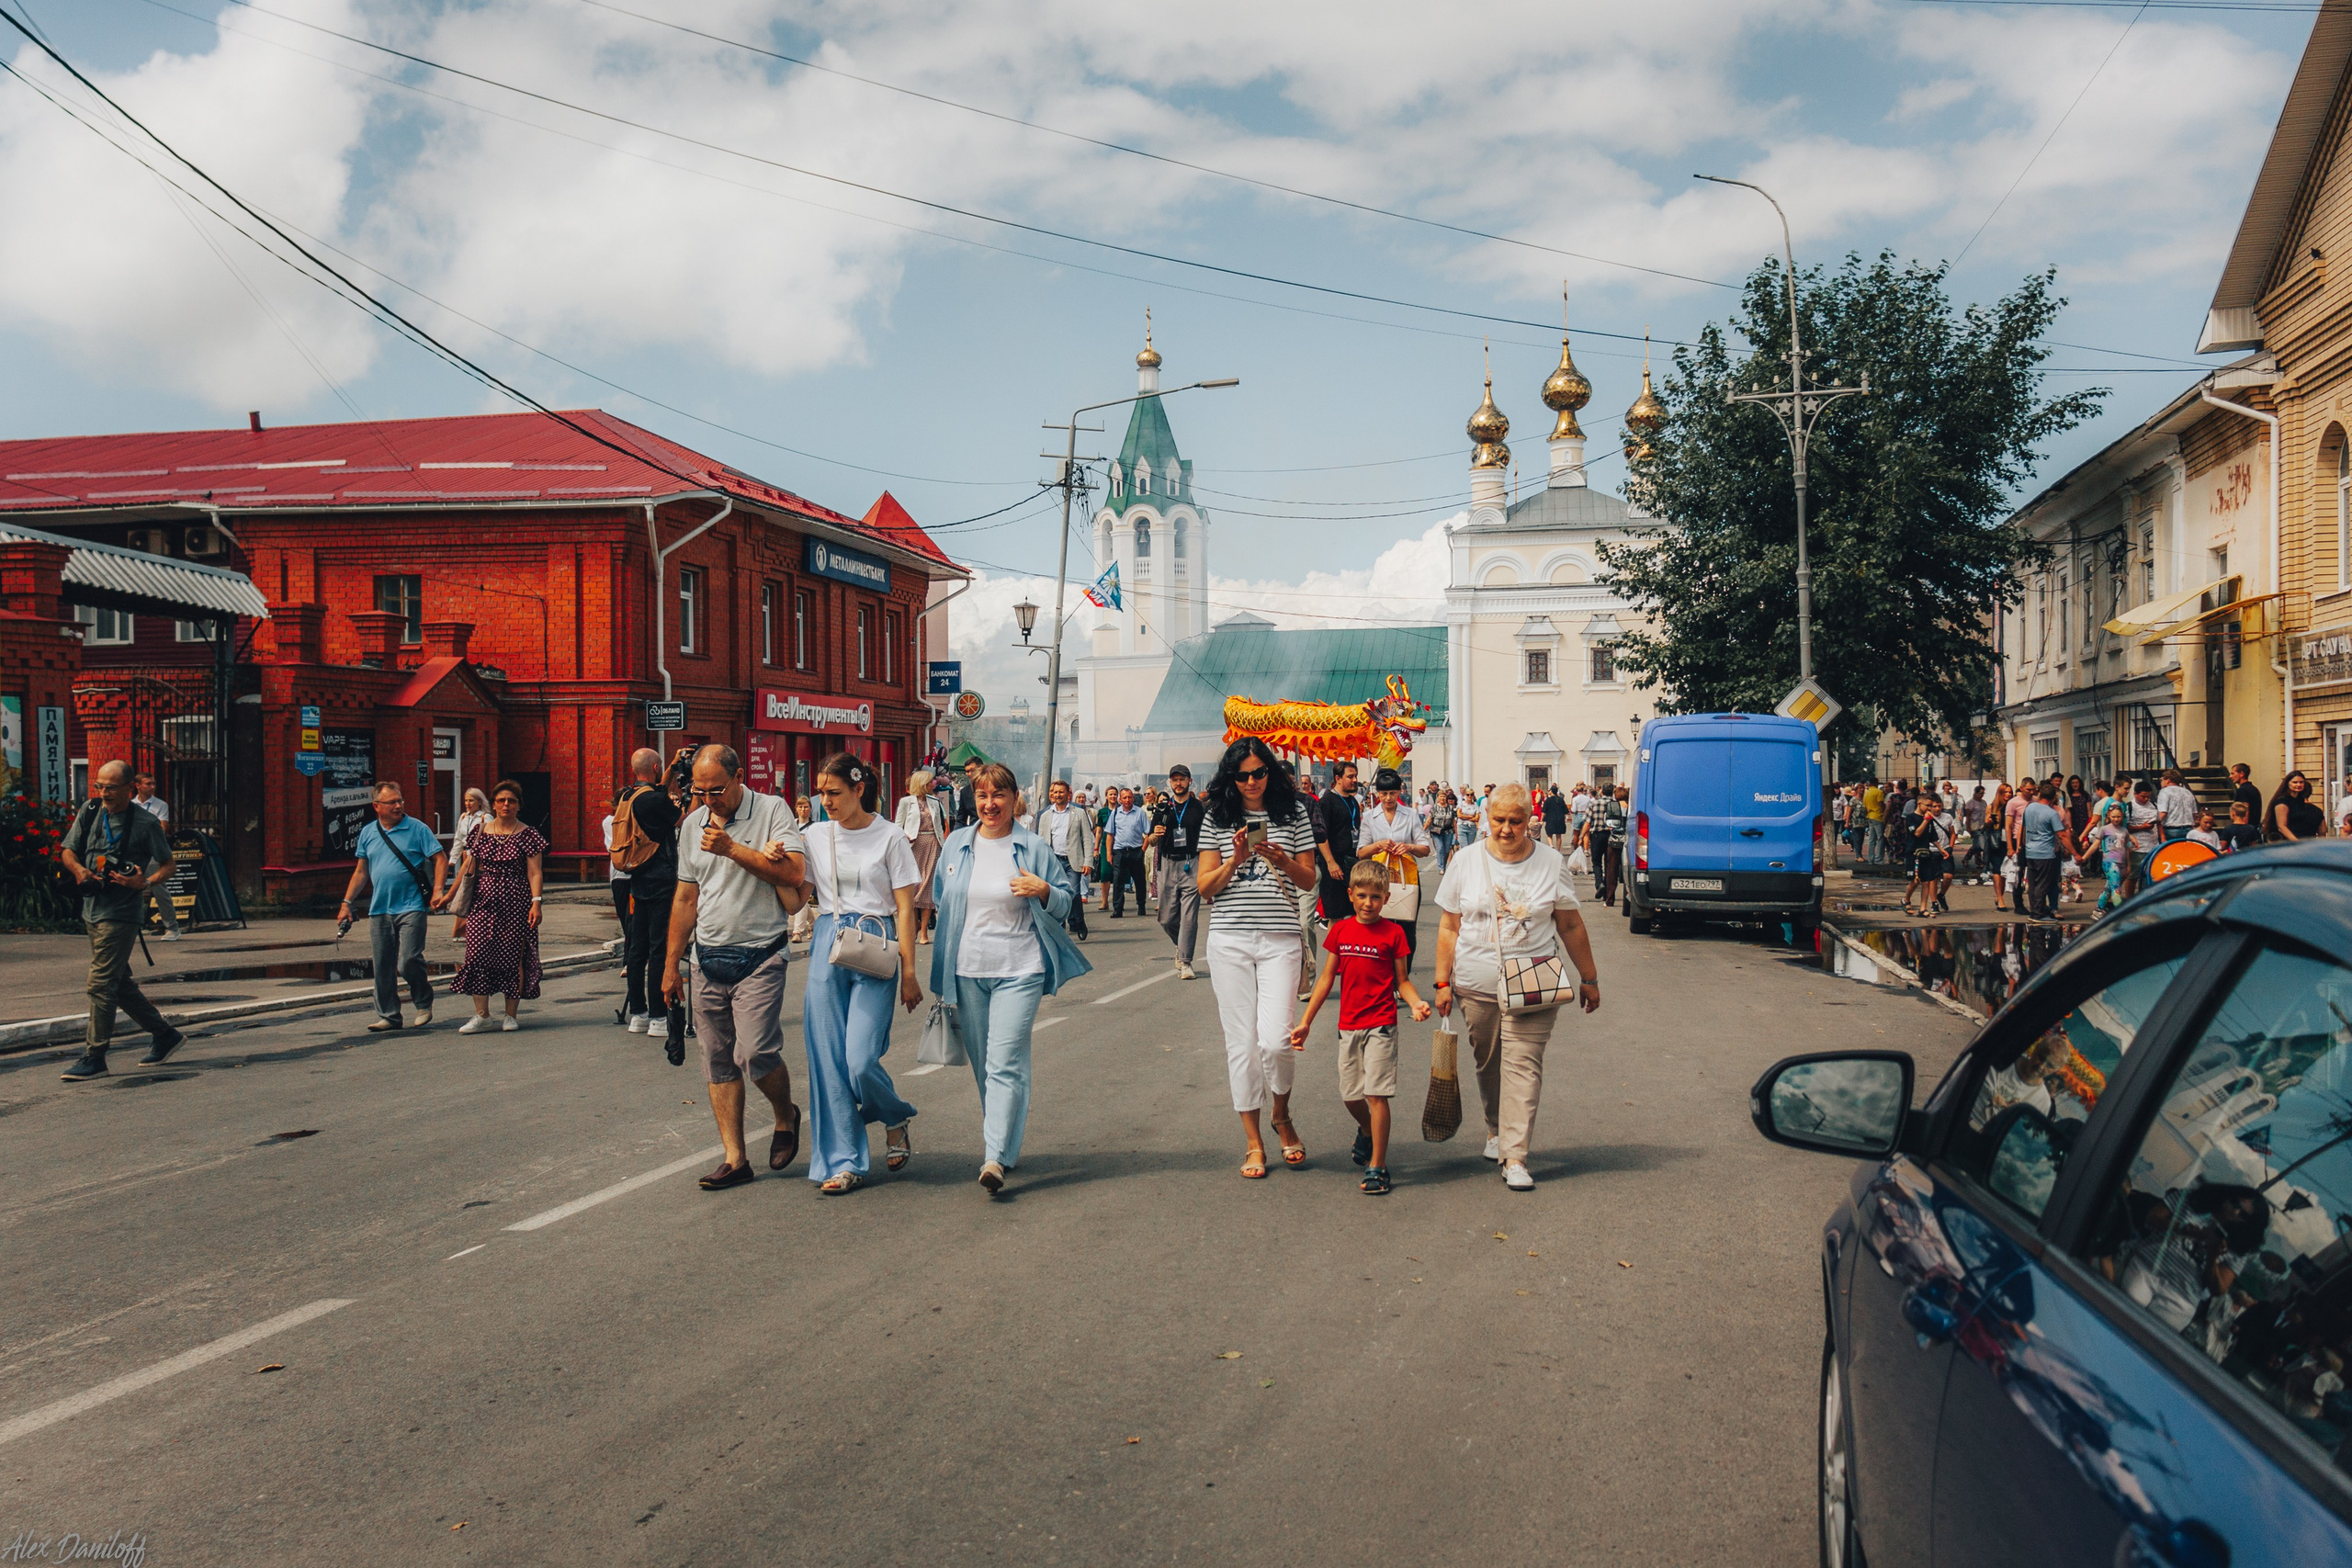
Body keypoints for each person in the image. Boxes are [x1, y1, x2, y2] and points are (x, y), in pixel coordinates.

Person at [930, 761, 1091, 1195]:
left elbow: (1064, 900)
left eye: (998, 796)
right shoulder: (957, 844)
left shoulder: (1032, 846)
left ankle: (994, 1156)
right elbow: (942, 898)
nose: (989, 804)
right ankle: (1005, 1144)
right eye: (982, 796)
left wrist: (1043, 890)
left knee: (1004, 1060)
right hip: (968, 970)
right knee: (989, 1067)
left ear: (1014, 799)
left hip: (1020, 969)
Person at [1430, 783, 1601, 1192]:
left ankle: (1516, 1155)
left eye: (1516, 821)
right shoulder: (1466, 861)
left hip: (1535, 982)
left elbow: (1570, 923)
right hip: (1477, 983)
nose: (1507, 829)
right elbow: (1449, 926)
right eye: (1499, 820)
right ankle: (1496, 1129)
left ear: (1531, 819)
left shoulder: (1549, 863)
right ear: (1486, 817)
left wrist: (1590, 978)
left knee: (1524, 1065)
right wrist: (1441, 981)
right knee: (1489, 1064)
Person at [660, 744, 806, 1189]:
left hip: (761, 951)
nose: (708, 800)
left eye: (716, 790)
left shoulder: (773, 810)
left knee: (756, 1051)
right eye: (699, 792)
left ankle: (785, 1114)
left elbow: (795, 875)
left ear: (740, 776)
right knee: (718, 1060)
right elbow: (686, 898)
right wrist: (670, 966)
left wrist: (732, 848)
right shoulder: (691, 826)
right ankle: (735, 1157)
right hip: (707, 956)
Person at [797, 750, 926, 1195]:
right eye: (821, 793)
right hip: (828, 941)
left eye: (834, 793)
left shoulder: (890, 837)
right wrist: (778, 864)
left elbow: (906, 908)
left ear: (858, 789)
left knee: (860, 1059)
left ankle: (893, 1114)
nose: (825, 800)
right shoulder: (813, 834)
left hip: (876, 941)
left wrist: (910, 971)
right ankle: (845, 1161)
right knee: (827, 1060)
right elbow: (799, 897)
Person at [1197, 736, 1320, 1179]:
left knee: (1275, 1040)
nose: (1251, 782)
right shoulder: (1216, 816)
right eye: (1242, 775)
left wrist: (1282, 861)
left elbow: (1308, 881)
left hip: (1279, 939)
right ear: (1230, 778)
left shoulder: (1295, 813)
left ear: (1271, 771)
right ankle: (1253, 1141)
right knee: (1243, 1046)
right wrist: (1236, 860)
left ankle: (1281, 1115)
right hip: (1229, 938)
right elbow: (1205, 888)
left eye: (1259, 772)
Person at [1289, 859, 1432, 1196]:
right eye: (1363, 896)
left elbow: (1403, 981)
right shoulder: (1341, 931)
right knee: (1351, 1096)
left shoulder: (1394, 934)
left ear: (1386, 898)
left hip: (1381, 1025)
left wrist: (1415, 1003)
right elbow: (1326, 979)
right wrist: (1306, 1021)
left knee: (1376, 1094)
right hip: (1348, 1025)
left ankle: (1378, 1166)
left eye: (1377, 897)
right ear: (1351, 895)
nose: (1369, 903)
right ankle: (1367, 1131)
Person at [56, 761, 184, 1080]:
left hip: (122, 913)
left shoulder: (145, 822)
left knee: (100, 983)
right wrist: (79, 870)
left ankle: (95, 1055)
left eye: (111, 787)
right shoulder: (89, 810)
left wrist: (145, 883)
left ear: (131, 789)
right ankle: (165, 1035)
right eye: (99, 786)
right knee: (120, 984)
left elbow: (169, 865)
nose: (104, 793)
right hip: (92, 908)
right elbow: (68, 851)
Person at [433, 779, 547, 1031]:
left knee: (511, 958)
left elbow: (535, 873)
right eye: (501, 800)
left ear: (519, 806)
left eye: (512, 801)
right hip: (482, 903)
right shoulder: (481, 832)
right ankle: (482, 1015)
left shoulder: (528, 835)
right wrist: (449, 896)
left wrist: (536, 903)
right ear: (493, 805)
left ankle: (510, 1015)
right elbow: (468, 867)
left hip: (516, 902)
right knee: (476, 955)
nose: (506, 805)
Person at [338, 781, 448, 1032]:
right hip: (380, 908)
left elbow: (440, 858)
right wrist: (346, 903)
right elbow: (361, 872)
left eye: (400, 800)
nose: (399, 805)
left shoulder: (417, 828)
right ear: (377, 806)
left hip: (411, 906)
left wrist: (438, 890)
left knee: (408, 960)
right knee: (383, 965)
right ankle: (389, 1016)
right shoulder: (368, 833)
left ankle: (423, 1002)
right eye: (392, 802)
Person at [611, 750, 684, 1033]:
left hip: (636, 877)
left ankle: (638, 1014)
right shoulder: (655, 801)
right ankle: (658, 1016)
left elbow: (658, 792)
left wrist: (673, 769)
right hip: (661, 878)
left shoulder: (629, 797)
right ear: (655, 767)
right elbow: (682, 820)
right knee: (658, 948)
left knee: (637, 948)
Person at [1356, 766, 1432, 970]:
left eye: (1392, 793)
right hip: (1379, 880)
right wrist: (1379, 845)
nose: (1388, 798)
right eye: (1383, 794)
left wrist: (1408, 847)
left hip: (1407, 877)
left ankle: (1402, 977)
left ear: (1399, 792)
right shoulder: (1370, 817)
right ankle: (1383, 976)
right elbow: (1361, 851)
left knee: (1407, 929)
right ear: (1377, 794)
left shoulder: (1410, 814)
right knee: (1380, 928)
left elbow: (1424, 848)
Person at [1149, 763, 1208, 978]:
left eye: (1182, 779)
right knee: (1166, 918)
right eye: (1175, 779)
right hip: (1167, 864)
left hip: (1192, 863)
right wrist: (1155, 834)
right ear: (1170, 782)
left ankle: (1185, 962)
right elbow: (1151, 839)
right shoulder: (1163, 808)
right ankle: (1179, 944)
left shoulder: (1199, 807)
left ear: (1189, 781)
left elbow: (1208, 837)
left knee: (1189, 917)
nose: (1178, 782)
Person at [1035, 779, 1095, 942]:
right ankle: (1060, 926)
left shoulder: (1079, 813)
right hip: (1053, 861)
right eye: (1055, 792)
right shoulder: (1045, 815)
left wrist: (1088, 862)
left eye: (1061, 792)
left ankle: (1079, 921)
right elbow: (1040, 841)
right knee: (1055, 895)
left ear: (1068, 793)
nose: (1057, 795)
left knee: (1073, 894)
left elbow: (1087, 839)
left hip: (1072, 861)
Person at [897, 768, 947, 944]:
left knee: (928, 887)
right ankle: (914, 924)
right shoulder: (906, 802)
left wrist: (943, 844)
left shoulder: (934, 801)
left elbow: (940, 825)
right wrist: (903, 838)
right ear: (920, 783)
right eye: (928, 782)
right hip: (913, 846)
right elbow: (898, 825)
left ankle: (924, 931)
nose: (932, 784)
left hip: (933, 843)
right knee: (914, 886)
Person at [130, 773, 179, 940]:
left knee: (159, 889)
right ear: (137, 785)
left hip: (152, 851)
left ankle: (172, 928)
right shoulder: (130, 805)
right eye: (148, 784)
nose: (152, 787)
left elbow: (162, 828)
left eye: (153, 784)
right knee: (129, 887)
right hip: (134, 851)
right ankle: (132, 927)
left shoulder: (160, 805)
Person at [2019, 782, 2075, 921]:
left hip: (2030, 851)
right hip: (2045, 852)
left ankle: (2036, 911)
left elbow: (2024, 828)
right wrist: (2076, 853)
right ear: (2053, 798)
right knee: (2043, 884)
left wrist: (2023, 845)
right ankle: (2038, 914)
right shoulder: (2052, 813)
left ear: (2039, 794)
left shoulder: (2029, 808)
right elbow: (2062, 835)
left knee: (2033, 884)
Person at [1317, 760, 1363, 925]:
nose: (1355, 780)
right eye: (1350, 776)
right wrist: (1331, 863)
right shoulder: (1326, 802)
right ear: (1338, 779)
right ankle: (1334, 950)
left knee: (1353, 912)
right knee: (1336, 915)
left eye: (1356, 776)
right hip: (1333, 865)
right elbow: (1321, 836)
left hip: (1351, 862)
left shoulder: (1354, 802)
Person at [448, 787, 490, 943]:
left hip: (479, 859)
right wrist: (453, 859)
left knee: (473, 892)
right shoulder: (464, 817)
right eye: (466, 800)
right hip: (467, 856)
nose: (468, 803)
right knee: (464, 892)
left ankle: (474, 930)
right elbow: (459, 839)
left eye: (471, 800)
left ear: (479, 802)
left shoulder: (486, 818)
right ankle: (461, 930)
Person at [1903, 795, 1954, 918]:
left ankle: (1923, 908)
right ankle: (1906, 900)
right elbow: (1917, 833)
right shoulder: (1911, 818)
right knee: (1915, 881)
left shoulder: (1929, 819)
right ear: (1920, 804)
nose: (1930, 808)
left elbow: (1933, 837)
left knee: (1926, 881)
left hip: (1926, 852)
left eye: (1932, 806)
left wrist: (1941, 849)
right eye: (1928, 806)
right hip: (1913, 853)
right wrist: (1925, 820)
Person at [1106, 786, 1151, 917]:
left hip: (1136, 850)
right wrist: (1109, 853)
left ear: (1133, 798)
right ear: (1120, 799)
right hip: (1119, 851)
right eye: (1124, 797)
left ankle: (1141, 905)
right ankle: (1118, 909)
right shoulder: (1115, 813)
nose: (1127, 800)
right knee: (1118, 880)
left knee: (1139, 880)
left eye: (1130, 797)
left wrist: (1142, 850)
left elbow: (1148, 833)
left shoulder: (1140, 813)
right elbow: (1110, 835)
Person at [2089, 800, 2135, 914]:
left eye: (2118, 817)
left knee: (2109, 888)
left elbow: (2127, 849)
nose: (2116, 819)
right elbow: (2095, 845)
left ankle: (2098, 909)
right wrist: (2084, 857)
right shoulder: (2104, 829)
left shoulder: (2124, 831)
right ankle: (2121, 914)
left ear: (2122, 816)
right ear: (2108, 816)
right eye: (2113, 816)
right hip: (2110, 862)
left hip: (2121, 863)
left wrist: (2128, 866)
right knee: (2116, 889)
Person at [2267, 769, 2324, 842]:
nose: (2298, 785)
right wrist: (2297, 842)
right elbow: (2281, 827)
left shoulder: (2300, 801)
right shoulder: (2282, 802)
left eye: (2301, 782)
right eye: (2295, 782)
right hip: (2286, 844)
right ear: (2288, 783)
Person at [2155, 768, 2199, 843]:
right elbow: (2194, 814)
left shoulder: (2164, 792)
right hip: (2189, 829)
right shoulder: (2188, 792)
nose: (2161, 782)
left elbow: (2163, 813)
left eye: (2162, 780)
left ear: (2168, 780)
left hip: (2171, 830)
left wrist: (2153, 823)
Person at [1426, 783, 1456, 875]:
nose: (1442, 798)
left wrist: (1456, 833)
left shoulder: (1450, 808)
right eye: (1441, 796)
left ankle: (1443, 865)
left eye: (1444, 796)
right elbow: (1429, 819)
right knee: (1440, 848)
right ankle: (1441, 867)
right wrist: (1422, 830)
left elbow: (1453, 821)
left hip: (1448, 831)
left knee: (1447, 850)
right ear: (1438, 798)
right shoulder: (1434, 807)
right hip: (1437, 831)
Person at [2231, 762, 2264, 828]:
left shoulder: (2242, 790)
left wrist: (2243, 827)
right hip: (2254, 826)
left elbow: (2245, 810)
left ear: (2241, 774)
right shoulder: (2254, 789)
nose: (2230, 776)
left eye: (2233, 773)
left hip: (2246, 827)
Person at [1861, 779, 1886, 863]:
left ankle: (1871, 859)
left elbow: (1864, 806)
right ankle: (1879, 859)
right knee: (1880, 838)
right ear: (1876, 783)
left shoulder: (1866, 793)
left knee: (1872, 839)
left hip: (1870, 816)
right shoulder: (1878, 792)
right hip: (1878, 816)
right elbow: (1881, 804)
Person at [1542, 784, 1568, 849]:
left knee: (1549, 834)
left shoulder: (1548, 800)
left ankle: (1551, 845)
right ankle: (1558, 849)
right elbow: (1566, 810)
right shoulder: (1561, 800)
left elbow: (1544, 811)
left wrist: (1541, 819)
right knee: (1559, 836)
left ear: (1551, 791)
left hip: (1550, 819)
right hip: (1560, 819)